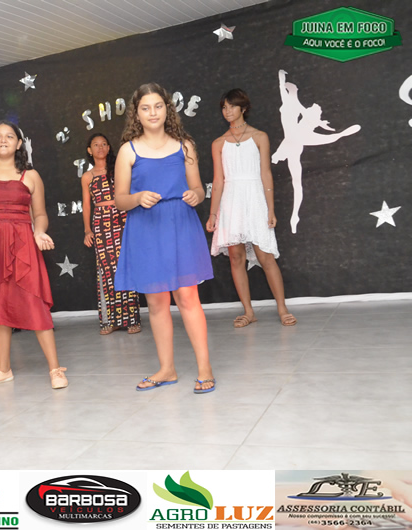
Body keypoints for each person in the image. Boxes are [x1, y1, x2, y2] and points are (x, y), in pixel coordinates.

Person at [114, 83, 216, 394]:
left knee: (187, 297)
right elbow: (120, 200)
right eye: (145, 108)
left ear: (167, 108)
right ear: (137, 114)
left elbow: (198, 188)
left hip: (180, 225)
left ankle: (205, 368)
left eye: (158, 106)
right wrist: (137, 198)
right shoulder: (128, 150)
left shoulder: (185, 146)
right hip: (146, 229)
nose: (153, 113)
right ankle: (167, 369)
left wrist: (196, 195)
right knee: (157, 302)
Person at [0, 120, 68, 390]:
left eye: (9, 136)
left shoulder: (31, 176)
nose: (3, 140)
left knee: (35, 302)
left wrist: (39, 232)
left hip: (23, 247)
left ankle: (55, 369)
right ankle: (4, 369)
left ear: (19, 143)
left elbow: (40, 214)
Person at [207, 88, 296, 327]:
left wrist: (270, 209)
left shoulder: (259, 137)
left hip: (254, 198)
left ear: (243, 108)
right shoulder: (218, 143)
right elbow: (218, 181)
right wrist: (213, 214)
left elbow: (266, 174)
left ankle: (282, 308)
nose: (227, 111)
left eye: (232, 106)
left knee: (265, 255)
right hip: (230, 202)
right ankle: (248, 311)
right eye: (224, 107)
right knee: (235, 257)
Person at [271, 70, 360, 233]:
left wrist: (336, 131)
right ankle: (294, 216)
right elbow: (293, 101)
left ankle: (295, 216)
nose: (313, 108)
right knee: (295, 181)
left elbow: (309, 116)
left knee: (296, 183)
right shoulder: (296, 111)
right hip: (293, 139)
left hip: (296, 142)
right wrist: (282, 80)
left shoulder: (303, 118)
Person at [80, 133, 141, 335]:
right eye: (96, 145)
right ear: (89, 150)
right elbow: (87, 206)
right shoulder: (87, 177)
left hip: (122, 218)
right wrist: (87, 230)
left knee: (127, 267)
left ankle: (132, 320)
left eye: (104, 144)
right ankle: (111, 320)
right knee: (106, 271)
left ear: (109, 148)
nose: (100, 148)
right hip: (101, 223)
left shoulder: (119, 170)